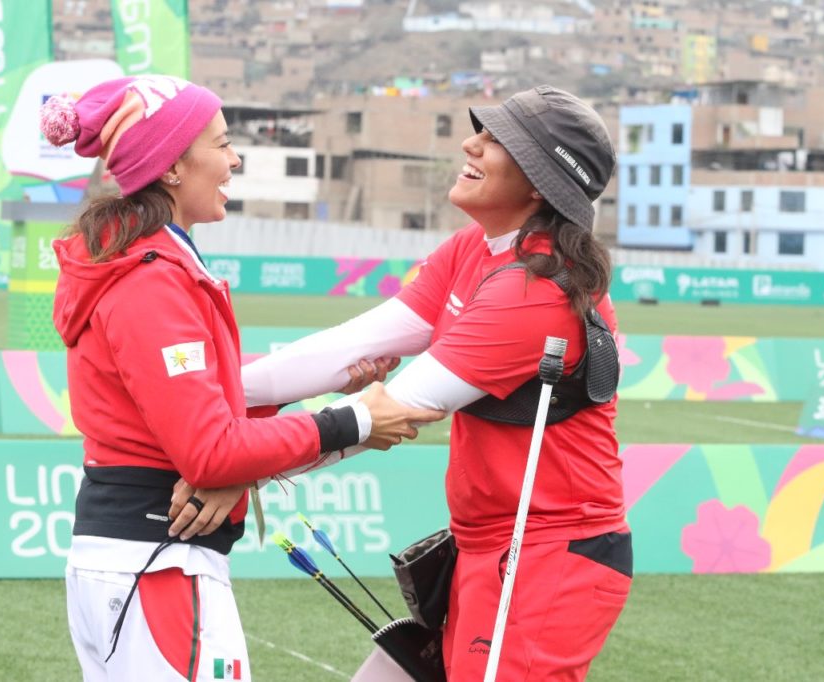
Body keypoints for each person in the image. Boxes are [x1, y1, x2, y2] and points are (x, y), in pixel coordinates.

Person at [219, 85, 630, 680]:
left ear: (539, 181)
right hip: (484, 548)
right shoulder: (473, 249)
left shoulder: (536, 291)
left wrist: (229, 461)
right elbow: (348, 348)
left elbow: (394, 410)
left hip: (547, 559)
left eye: (496, 140)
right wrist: (213, 400)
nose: (471, 143)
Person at [40, 75, 443, 682]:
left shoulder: (153, 263)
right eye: (222, 143)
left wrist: (334, 399)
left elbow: (204, 412)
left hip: (140, 565)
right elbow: (210, 451)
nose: (234, 159)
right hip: (158, 569)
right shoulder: (152, 278)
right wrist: (355, 419)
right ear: (172, 166)